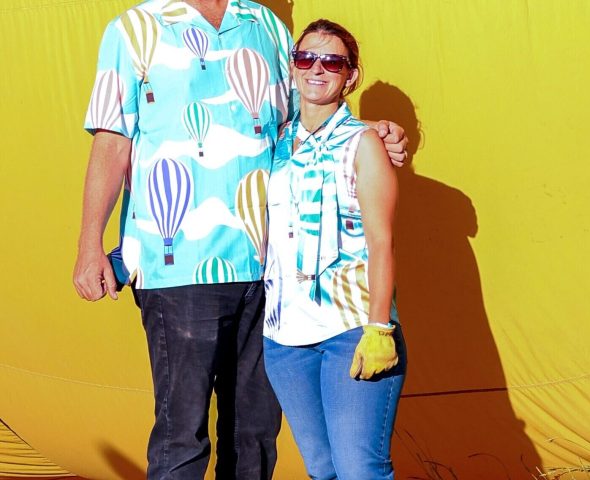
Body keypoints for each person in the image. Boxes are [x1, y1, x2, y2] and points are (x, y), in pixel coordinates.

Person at [72, 1, 407, 479]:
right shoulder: (133, 29)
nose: (317, 66)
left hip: (270, 278)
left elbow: (306, 113)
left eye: (331, 62)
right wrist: (90, 243)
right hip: (179, 268)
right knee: (182, 434)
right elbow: (112, 138)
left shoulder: (266, 25)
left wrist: (369, 133)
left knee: (253, 437)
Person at [262, 19, 406, 480]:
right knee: (322, 470)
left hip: (352, 330)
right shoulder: (274, 142)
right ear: (293, 67)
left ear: (351, 76)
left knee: (359, 470)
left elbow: (382, 242)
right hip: (285, 338)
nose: (317, 69)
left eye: (332, 61)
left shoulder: (364, 144)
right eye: (306, 58)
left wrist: (379, 327)